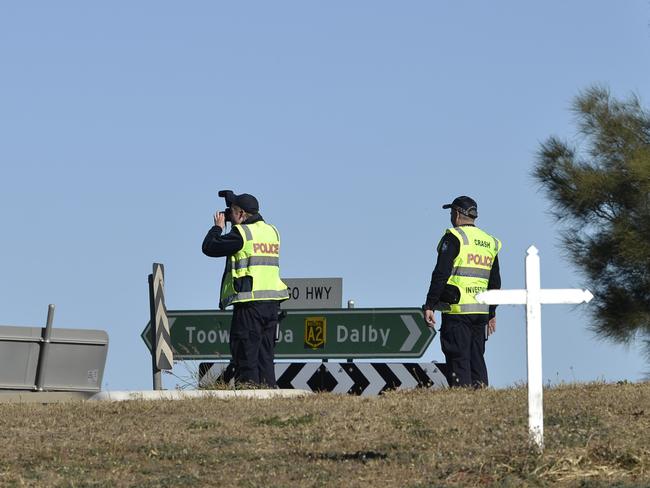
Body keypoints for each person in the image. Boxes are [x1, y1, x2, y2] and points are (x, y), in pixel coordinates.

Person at [202, 192, 289, 387]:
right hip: (272, 305)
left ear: (241, 214)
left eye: (232, 213)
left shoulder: (242, 234)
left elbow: (209, 247)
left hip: (250, 305)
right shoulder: (272, 231)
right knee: (265, 356)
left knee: (245, 353)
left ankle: (248, 391)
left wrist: (217, 227)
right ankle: (268, 393)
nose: (230, 217)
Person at [423, 196, 501, 388]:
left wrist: (430, 305)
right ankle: (480, 398)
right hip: (481, 312)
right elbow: (495, 281)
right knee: (477, 358)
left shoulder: (454, 237)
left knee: (458, 359)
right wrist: (492, 312)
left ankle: (463, 403)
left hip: (457, 311)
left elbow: (441, 273)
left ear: (457, 214)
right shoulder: (490, 242)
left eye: (451, 213)